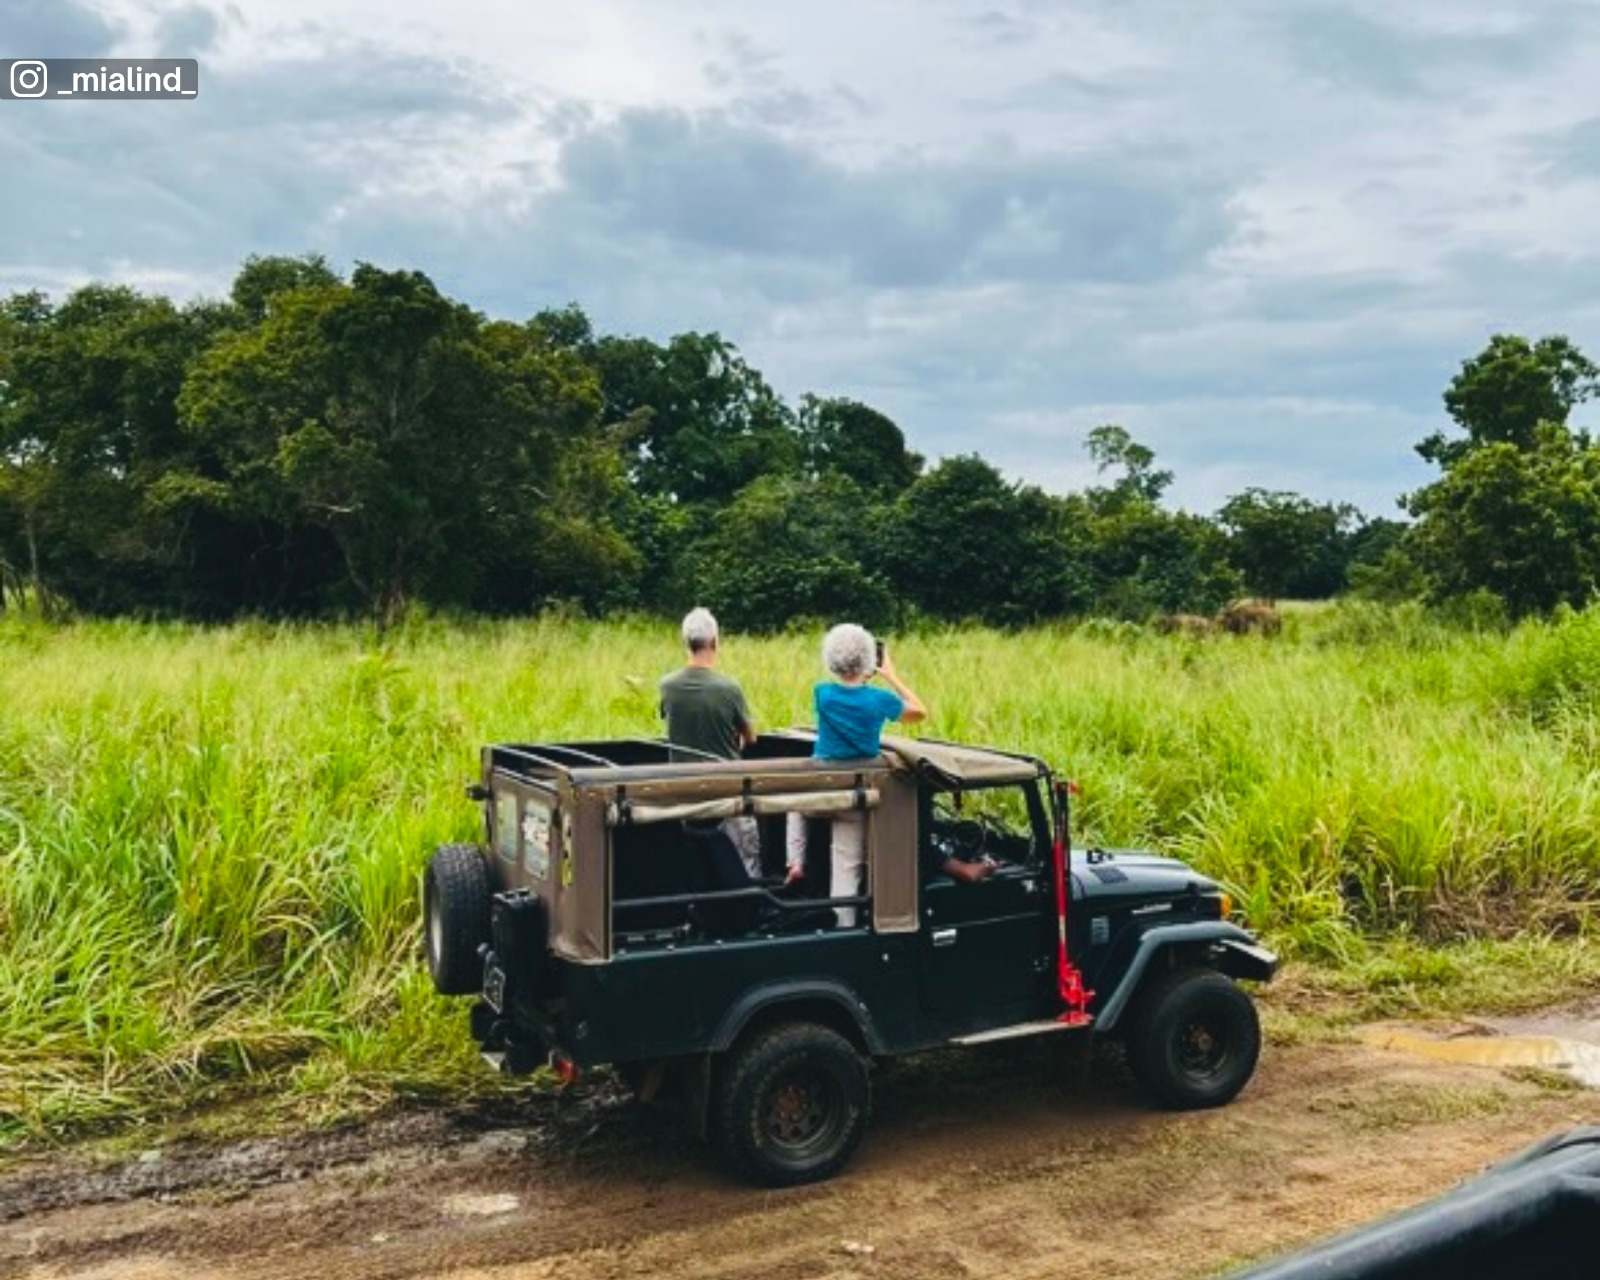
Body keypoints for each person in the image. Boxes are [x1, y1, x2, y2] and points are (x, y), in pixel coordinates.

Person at [785, 623, 926, 926]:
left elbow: (843, 691)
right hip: (858, 797)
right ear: (867, 662)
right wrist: (890, 675)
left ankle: (795, 862)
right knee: (846, 868)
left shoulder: (822, 694)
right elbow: (919, 712)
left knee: (794, 804)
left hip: (822, 794)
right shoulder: (879, 700)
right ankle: (844, 925)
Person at [658, 607, 762, 876]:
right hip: (726, 787)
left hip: (684, 790)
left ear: (686, 643)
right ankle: (749, 900)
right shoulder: (729, 687)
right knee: (745, 851)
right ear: (715, 642)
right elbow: (750, 736)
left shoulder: (667, 685)